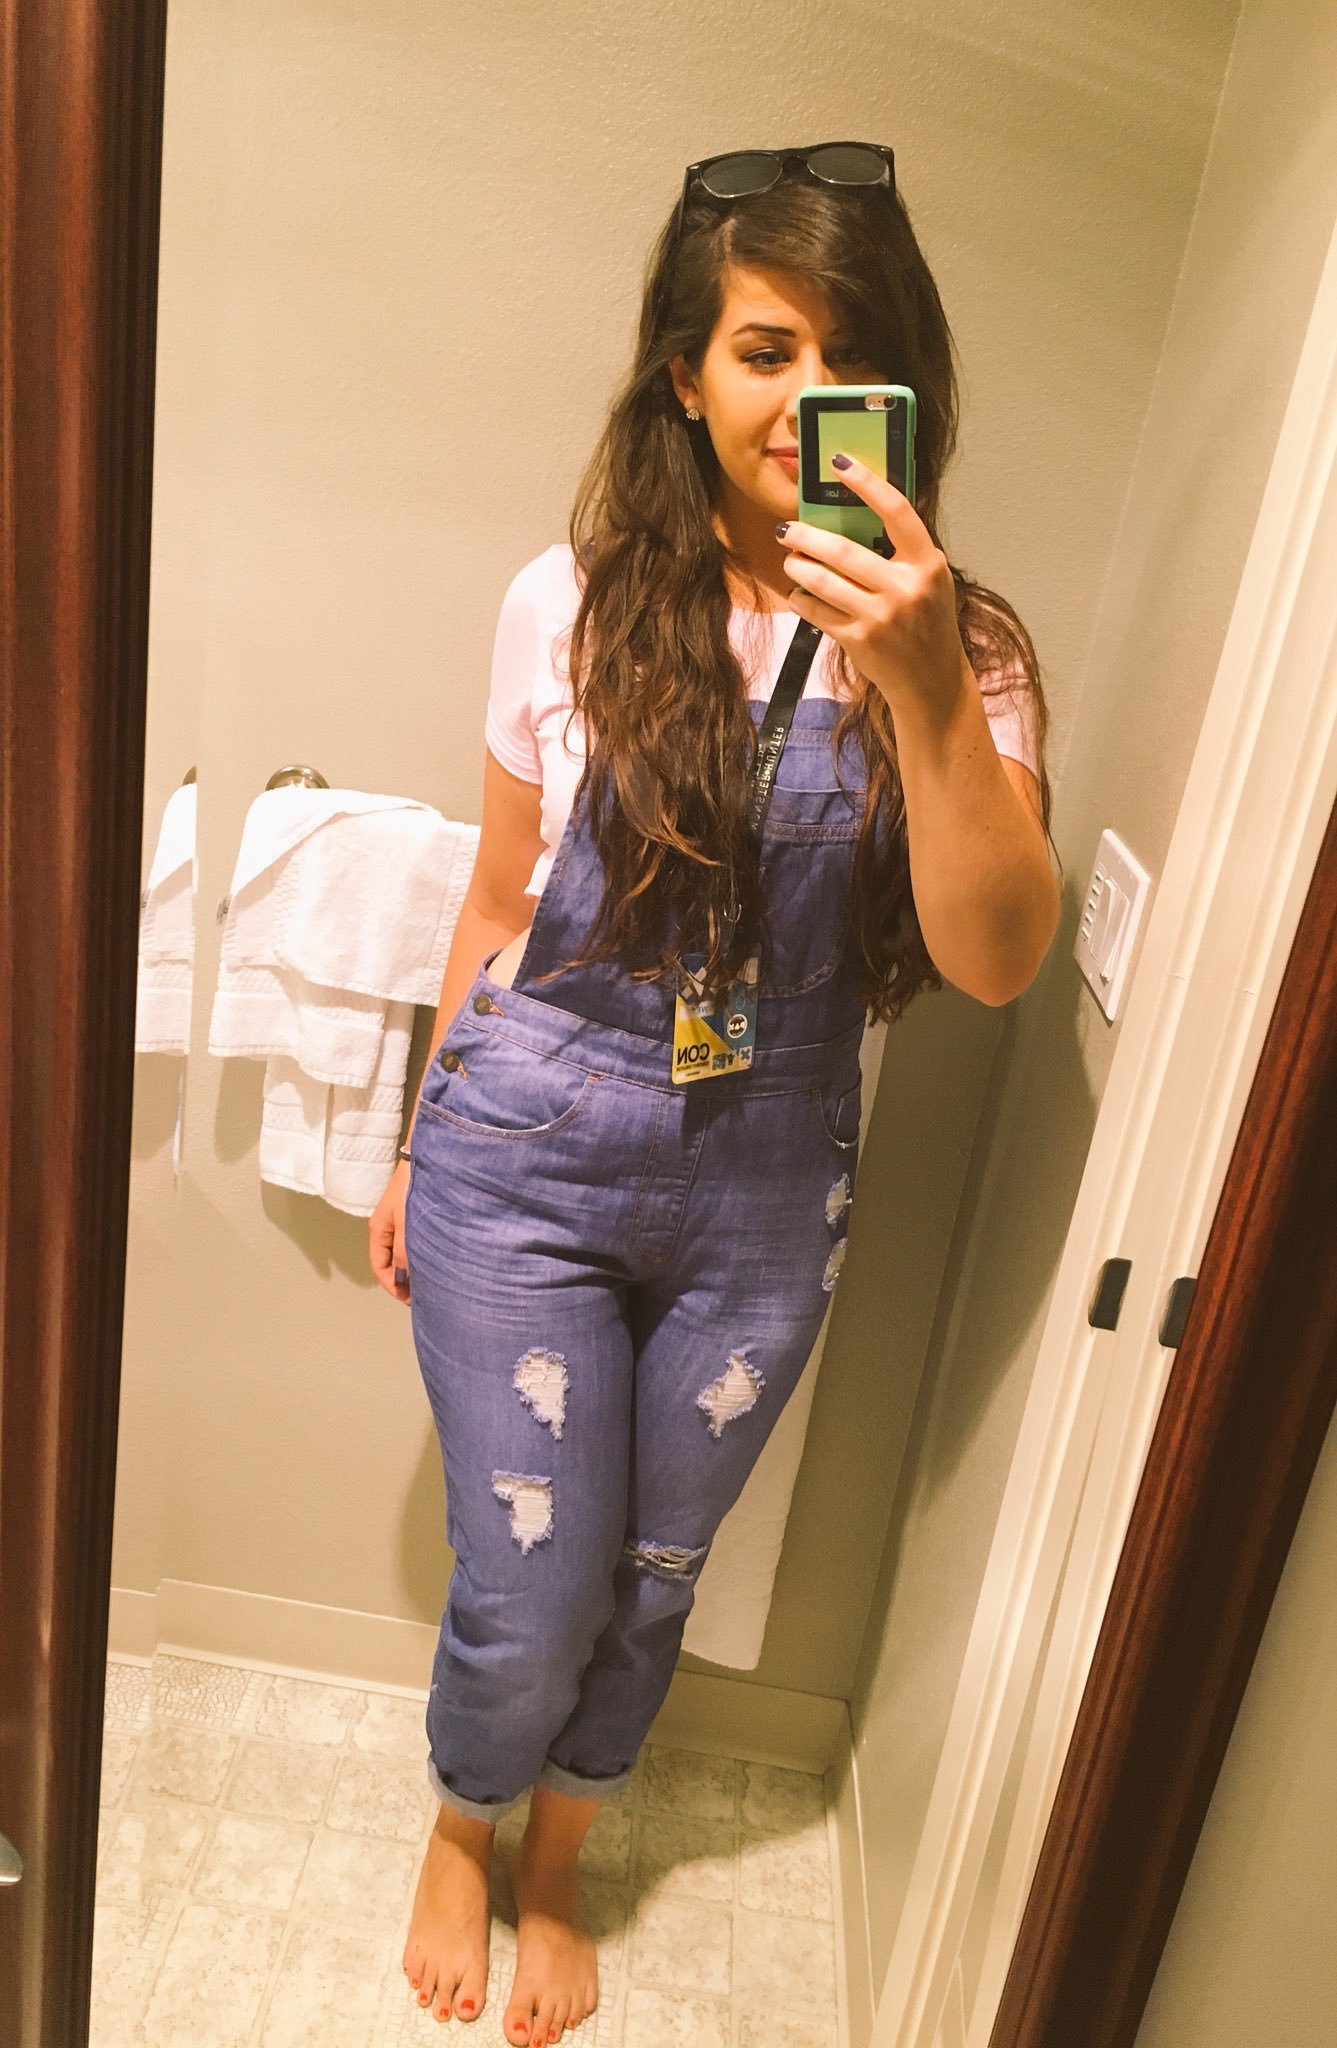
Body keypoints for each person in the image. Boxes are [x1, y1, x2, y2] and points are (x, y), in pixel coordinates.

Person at [368, 140, 1060, 2046]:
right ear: (684, 375)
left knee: (653, 1575)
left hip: (767, 1186)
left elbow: (995, 960)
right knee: (528, 1578)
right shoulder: (570, 600)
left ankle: (562, 1853)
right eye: (765, 350)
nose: (802, 397)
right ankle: (462, 1820)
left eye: (850, 357)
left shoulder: (966, 649)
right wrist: (417, 1139)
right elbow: (499, 900)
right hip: (522, 1150)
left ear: (903, 393)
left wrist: (923, 686)